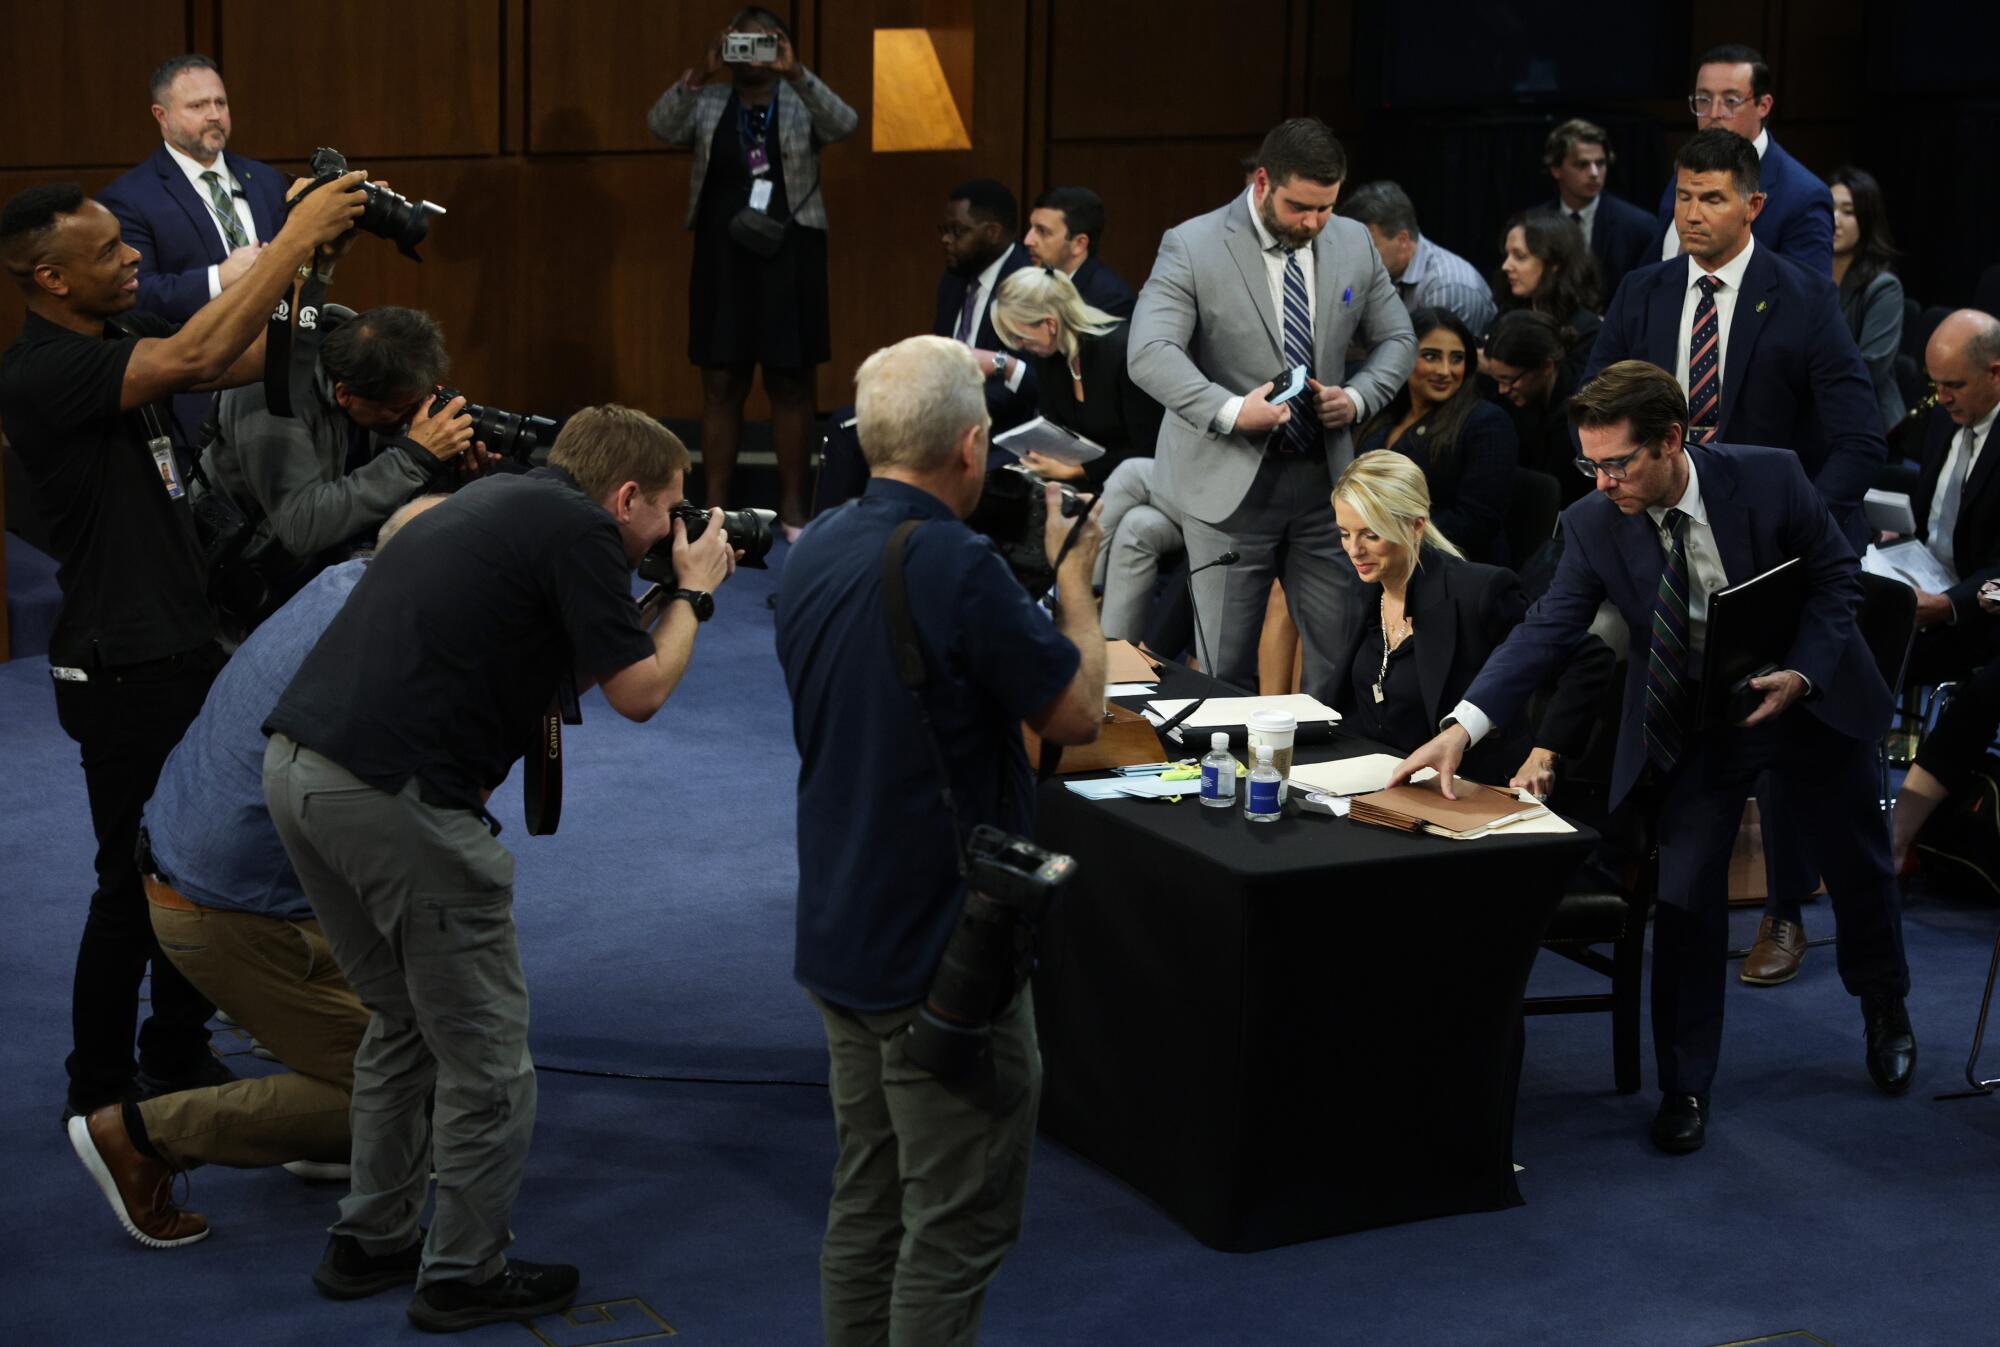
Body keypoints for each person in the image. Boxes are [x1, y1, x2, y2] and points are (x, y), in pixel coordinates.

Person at [263, 406, 737, 1333]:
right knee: (486, 1060)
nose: (671, 531)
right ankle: (463, 1272)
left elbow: (575, 662)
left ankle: (371, 1237)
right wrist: (695, 593)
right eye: (669, 510)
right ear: (625, 496)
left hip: (302, 773)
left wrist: (655, 598)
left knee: (404, 1019)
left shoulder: (502, 502)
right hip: (394, 799)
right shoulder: (583, 531)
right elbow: (640, 691)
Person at [1394, 361, 1914, 1151]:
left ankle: (1884, 1004)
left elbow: (1838, 578)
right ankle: (1686, 1082)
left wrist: (1803, 671)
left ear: (1672, 441)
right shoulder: (1594, 522)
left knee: (1858, 869)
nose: (1603, 481)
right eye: (1589, 465)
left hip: (1809, 695)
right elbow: (1545, 631)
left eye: (1617, 463)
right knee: (1686, 895)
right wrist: (1463, 726)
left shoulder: (1769, 477)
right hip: (1701, 714)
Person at [0, 173, 365, 1123]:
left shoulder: (113, 335)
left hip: (184, 643)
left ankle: (173, 1049)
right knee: (129, 885)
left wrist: (315, 271)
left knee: (198, 866)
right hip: (120, 664)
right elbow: (198, 349)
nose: (132, 256)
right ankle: (98, 1092)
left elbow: (248, 359)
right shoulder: (41, 371)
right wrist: (290, 238)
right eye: (108, 251)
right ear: (50, 278)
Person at [774, 335, 1107, 1345]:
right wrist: (1076, 581)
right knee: (956, 1226)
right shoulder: (956, 564)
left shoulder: (816, 544)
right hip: (942, 952)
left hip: (841, 924)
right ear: (971, 445)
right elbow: (1076, 712)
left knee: (868, 1199)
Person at [64, 497, 442, 1252]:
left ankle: (322, 1131)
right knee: (412, 1081)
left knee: (425, 1027)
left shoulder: (344, 582)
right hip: (229, 914)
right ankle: (142, 1136)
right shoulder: (384, 647)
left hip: (203, 875)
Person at [1588, 128, 1888, 984]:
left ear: (1753, 205)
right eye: (1683, 196)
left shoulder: (1802, 296)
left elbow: (1860, 439)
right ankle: (1615, 861)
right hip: (1664, 551)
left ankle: (1787, 910)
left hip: (1777, 566)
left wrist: (1797, 528)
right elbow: (1590, 413)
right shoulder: (1644, 292)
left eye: (1712, 198)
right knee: (1588, 648)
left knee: (1789, 742)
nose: (1692, 213)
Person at [1129, 117, 1415, 692]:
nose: (1312, 222)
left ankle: (1322, 754)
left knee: (1335, 662)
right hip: (1227, 485)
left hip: (1325, 486)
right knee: (1222, 667)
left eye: (1325, 208)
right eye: (1299, 207)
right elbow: (1149, 353)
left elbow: (1398, 339)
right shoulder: (1192, 245)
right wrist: (1232, 410)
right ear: (1262, 182)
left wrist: (1358, 397)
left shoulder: (1353, 241)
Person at [647, 6, 858, 533]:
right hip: (722, 257)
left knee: (791, 381)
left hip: (791, 254)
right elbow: (660, 124)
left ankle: (793, 509)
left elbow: (844, 123)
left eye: (764, 43)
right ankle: (716, 506)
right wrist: (700, 71)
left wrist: (797, 72)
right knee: (720, 380)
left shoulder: (799, 97)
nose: (751, 54)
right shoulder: (710, 99)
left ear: (783, 46)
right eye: (740, 43)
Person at [1323, 451, 1610, 793]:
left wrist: (1544, 754)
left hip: (1466, 792)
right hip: (1377, 786)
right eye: (1345, 533)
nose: (1353, 550)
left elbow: (1588, 658)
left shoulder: (1479, 592)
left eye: (1371, 535)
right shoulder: (1366, 590)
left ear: (1416, 526)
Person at [199, 305, 486, 635]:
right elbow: (302, 526)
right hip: (240, 592)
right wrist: (414, 458)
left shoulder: (377, 369)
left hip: (325, 572)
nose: (410, 420)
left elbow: (380, 486)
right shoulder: (271, 395)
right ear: (345, 394)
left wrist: (447, 467)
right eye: (402, 410)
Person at [98, 53, 292, 442]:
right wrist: (219, 277)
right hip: (197, 396)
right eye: (198, 106)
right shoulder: (130, 198)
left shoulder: (267, 181)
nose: (215, 115)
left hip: (280, 384)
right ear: (161, 115)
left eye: (220, 102)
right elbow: (134, 296)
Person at [1652, 43, 1834, 277]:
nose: (1714, 113)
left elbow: (1809, 293)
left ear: (1763, 106)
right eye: (1704, 99)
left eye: (1731, 101)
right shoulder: (1687, 169)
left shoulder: (1803, 196)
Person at [1352, 306, 1517, 562]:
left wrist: (1386, 538)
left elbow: (1475, 522)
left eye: (1456, 359)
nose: (1444, 371)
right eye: (1431, 356)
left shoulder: (1487, 423)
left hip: (1448, 567)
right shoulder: (1382, 413)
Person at [989, 266, 1163, 489]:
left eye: (1020, 336)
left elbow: (1149, 450)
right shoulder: (1049, 356)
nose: (1018, 345)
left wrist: (1077, 470)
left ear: (1050, 324)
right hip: (1085, 485)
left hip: (1139, 485)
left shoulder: (1123, 353)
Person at [1903, 311, 2000, 682]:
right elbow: (1929, 504)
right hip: (1923, 579)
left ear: (1995, 373)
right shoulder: (1949, 412)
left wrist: (1949, 605)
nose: (1941, 397)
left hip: (1979, 612)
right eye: (1936, 384)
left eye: (1954, 385)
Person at [936, 178, 1038, 431]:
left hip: (1000, 425)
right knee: (848, 427)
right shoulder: (953, 279)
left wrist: (946, 410)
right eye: (944, 230)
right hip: (947, 411)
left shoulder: (1027, 285)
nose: (946, 239)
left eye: (957, 231)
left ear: (992, 232)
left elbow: (1026, 383)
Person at [1339, 179, 1497, 336]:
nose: (1355, 256)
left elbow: (1429, 351)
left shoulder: (1447, 287)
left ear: (1402, 241)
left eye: (1367, 246)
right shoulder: (1377, 271)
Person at [1534, 118, 1656, 304]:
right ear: (1556, 169)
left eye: (1600, 163)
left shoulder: (1639, 226)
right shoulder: (1534, 225)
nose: (1594, 173)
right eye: (1582, 164)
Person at [1829, 166, 1907, 434]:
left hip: (1871, 420)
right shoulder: (1810, 276)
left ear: (1867, 218)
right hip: (1821, 411)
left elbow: (1870, 367)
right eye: (1830, 208)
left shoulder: (1884, 286)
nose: (1835, 219)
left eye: (1848, 212)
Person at [1487, 309, 1587, 506]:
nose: (1502, 390)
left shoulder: (1576, 417)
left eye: (1509, 380)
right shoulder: (1525, 398)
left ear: (1546, 367)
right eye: (1498, 380)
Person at [1493, 212, 1601, 374]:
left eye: (1520, 256)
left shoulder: (1588, 330)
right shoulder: (1508, 312)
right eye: (1507, 255)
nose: (1506, 266)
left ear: (1554, 262)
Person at [1023, 186, 1136, 317]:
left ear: (1079, 244)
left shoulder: (1110, 299)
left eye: (1042, 231)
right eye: (1031, 228)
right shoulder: (1031, 280)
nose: (1027, 240)